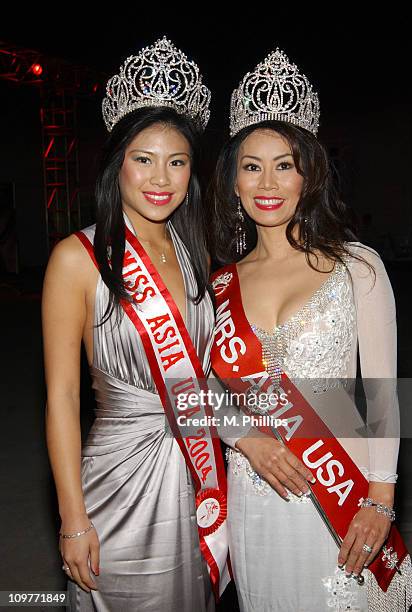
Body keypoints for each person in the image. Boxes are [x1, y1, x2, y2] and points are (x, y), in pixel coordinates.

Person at [209, 45, 412, 611]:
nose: (267, 183)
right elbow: (198, 393)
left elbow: (381, 394)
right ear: (233, 181)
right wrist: (245, 439)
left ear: (310, 174)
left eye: (285, 164)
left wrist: (380, 496)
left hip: (342, 488)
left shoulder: (357, 266)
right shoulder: (217, 284)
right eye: (252, 166)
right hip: (256, 490)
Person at [42, 36, 229, 612]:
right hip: (117, 479)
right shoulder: (77, 257)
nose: (160, 177)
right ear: (116, 163)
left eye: (177, 161)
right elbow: (62, 397)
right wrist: (73, 518)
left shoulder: (197, 250)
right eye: (143, 158)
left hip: (197, 471)